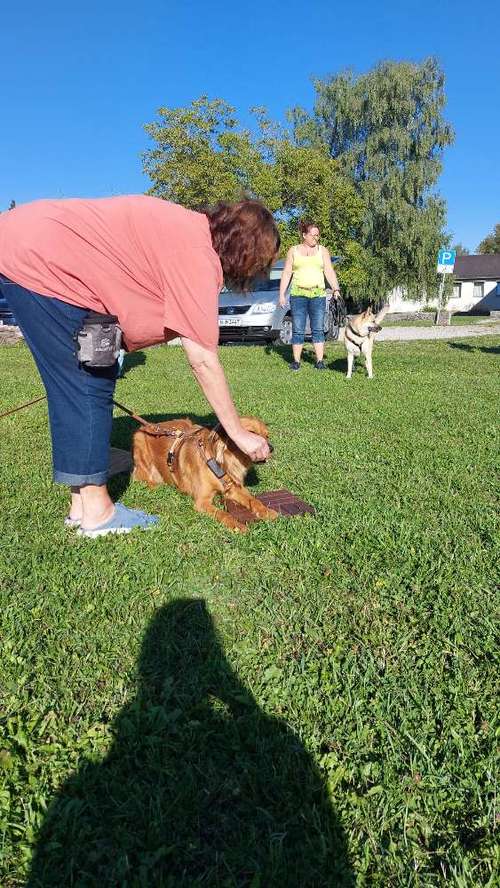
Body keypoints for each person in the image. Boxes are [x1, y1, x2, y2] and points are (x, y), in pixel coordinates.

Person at [0, 196, 279, 537]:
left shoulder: (188, 230)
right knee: (85, 384)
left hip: (26, 243)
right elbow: (203, 359)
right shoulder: (195, 256)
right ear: (246, 252)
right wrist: (237, 433)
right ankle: (98, 514)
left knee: (83, 379)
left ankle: (81, 505)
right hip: (38, 258)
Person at [278, 221, 341, 371]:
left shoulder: (322, 251)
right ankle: (296, 362)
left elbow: (329, 271)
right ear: (304, 235)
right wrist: (281, 294)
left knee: (318, 328)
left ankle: (319, 361)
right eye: (313, 235)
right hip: (298, 294)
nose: (316, 238)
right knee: (298, 328)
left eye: (317, 235)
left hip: (317, 294)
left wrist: (336, 289)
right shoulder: (293, 251)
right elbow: (287, 273)